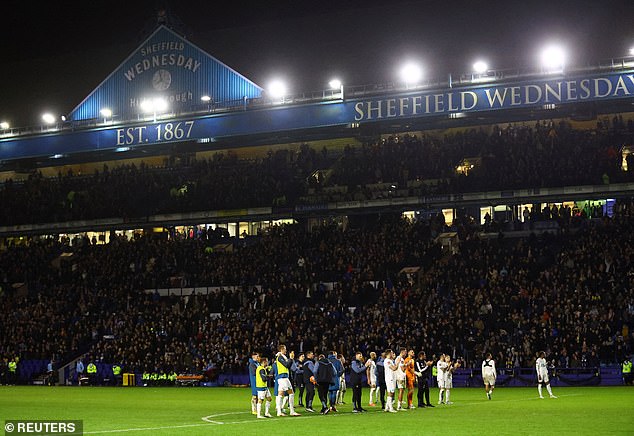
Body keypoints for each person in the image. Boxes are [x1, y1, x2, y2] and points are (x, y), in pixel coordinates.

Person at [274, 345, 300, 416]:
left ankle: (279, 412)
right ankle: (292, 411)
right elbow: (286, 365)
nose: (286, 350)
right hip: (283, 378)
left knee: (280, 394)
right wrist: (291, 358)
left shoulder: (281, 357)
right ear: (282, 350)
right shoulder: (280, 357)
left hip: (283, 378)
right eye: (285, 349)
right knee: (291, 393)